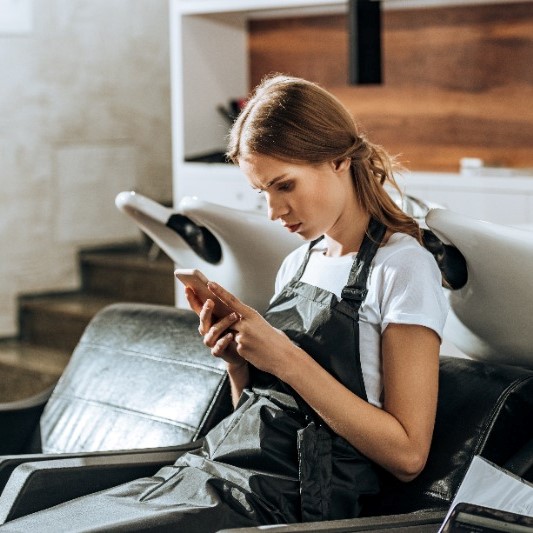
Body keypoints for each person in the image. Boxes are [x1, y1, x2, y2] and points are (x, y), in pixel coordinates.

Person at [0, 75, 448, 531]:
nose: (274, 212)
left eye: (284, 185)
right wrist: (240, 365)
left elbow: (408, 455)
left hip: (292, 505)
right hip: (215, 474)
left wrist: (287, 359)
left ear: (338, 161)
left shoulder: (402, 268)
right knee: (28, 523)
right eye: (262, 193)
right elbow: (256, 420)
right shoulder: (297, 263)